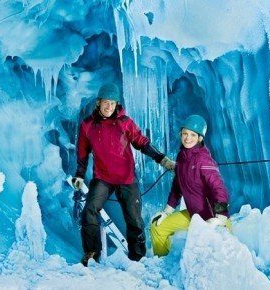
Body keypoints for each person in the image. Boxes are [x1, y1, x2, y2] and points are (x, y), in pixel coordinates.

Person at [71, 83, 175, 266]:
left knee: (134, 219)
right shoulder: (88, 125)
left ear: (116, 104)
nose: (109, 107)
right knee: (89, 211)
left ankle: (138, 258)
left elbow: (142, 143)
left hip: (126, 179)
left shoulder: (125, 122)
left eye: (113, 103)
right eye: (106, 102)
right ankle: (92, 253)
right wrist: (79, 175)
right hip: (102, 179)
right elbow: (82, 152)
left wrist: (162, 159)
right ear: (98, 102)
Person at [150, 114, 230, 256]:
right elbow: (176, 187)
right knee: (157, 227)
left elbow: (219, 188)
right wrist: (167, 211)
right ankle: (161, 265)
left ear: (200, 138)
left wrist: (220, 217)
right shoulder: (182, 157)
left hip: (212, 219)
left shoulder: (203, 159)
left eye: (193, 135)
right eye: (185, 134)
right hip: (194, 215)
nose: (187, 138)